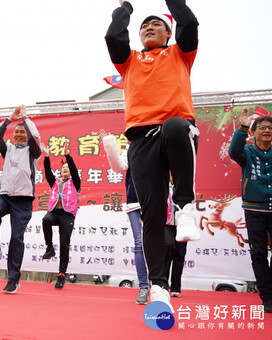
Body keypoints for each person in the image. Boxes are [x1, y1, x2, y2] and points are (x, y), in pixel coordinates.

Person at [105, 0, 200, 310]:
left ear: (169, 32)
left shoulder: (180, 54)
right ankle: (159, 286)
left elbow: (189, 22)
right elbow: (113, 37)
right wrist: (126, 8)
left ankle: (185, 207)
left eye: (156, 24)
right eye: (144, 26)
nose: (148, 28)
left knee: (175, 126)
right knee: (153, 216)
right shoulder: (129, 61)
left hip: (175, 131)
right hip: (141, 140)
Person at [0, 105, 41, 294]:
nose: (20, 134)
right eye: (17, 132)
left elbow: (35, 137)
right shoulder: (7, 150)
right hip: (5, 196)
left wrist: (25, 119)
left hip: (23, 200)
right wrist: (10, 120)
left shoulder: (33, 151)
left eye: (23, 132)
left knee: (16, 237)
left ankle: (13, 279)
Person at [228, 108, 272, 313]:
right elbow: (233, 152)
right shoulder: (247, 152)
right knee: (259, 253)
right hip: (255, 210)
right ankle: (267, 296)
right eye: (262, 127)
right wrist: (243, 127)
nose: (267, 130)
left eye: (270, 128)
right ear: (253, 133)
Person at [102, 133, 149, 304]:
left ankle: (160, 284)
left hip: (155, 202)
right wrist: (110, 146)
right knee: (139, 244)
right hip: (135, 203)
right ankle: (144, 287)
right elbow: (118, 167)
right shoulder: (131, 149)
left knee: (158, 245)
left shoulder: (158, 145)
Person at [41, 142, 80, 289]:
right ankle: (49, 248)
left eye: (67, 168)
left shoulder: (75, 183)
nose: (65, 169)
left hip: (67, 216)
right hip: (54, 213)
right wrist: (46, 157)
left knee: (64, 243)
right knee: (45, 219)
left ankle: (61, 274)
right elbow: (47, 172)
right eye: (63, 167)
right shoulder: (56, 182)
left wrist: (67, 156)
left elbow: (75, 170)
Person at [164, 178, 187, 298]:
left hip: (182, 222)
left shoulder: (184, 183)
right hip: (166, 221)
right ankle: (162, 283)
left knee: (180, 253)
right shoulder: (161, 182)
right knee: (168, 246)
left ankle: (176, 287)